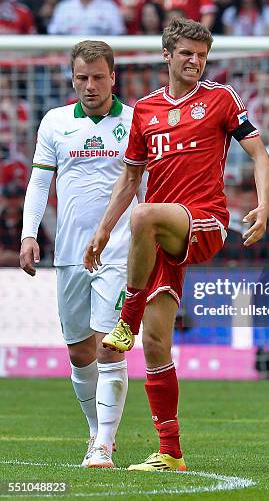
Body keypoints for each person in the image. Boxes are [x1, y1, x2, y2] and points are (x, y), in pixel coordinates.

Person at [84, 17, 269, 472]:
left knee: (146, 213)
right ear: (166, 55)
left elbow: (259, 154)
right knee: (155, 343)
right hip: (159, 239)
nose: (195, 61)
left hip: (204, 221)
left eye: (202, 54)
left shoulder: (220, 99)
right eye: (186, 53)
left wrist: (264, 205)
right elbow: (130, 178)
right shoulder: (145, 110)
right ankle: (170, 451)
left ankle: (124, 319)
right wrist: (104, 229)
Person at [20, 41, 139, 469]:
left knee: (110, 346)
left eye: (97, 77)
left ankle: (104, 444)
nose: (90, 86)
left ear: (113, 77)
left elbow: (142, 189)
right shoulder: (54, 123)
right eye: (81, 78)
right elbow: (38, 184)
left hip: (119, 252)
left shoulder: (134, 121)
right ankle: (96, 429)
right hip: (70, 252)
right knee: (78, 351)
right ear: (73, 79)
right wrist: (28, 236)